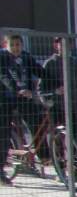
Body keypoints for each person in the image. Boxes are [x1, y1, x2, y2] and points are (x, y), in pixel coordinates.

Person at [0, 34, 43, 185]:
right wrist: (17, 89)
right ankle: (0, 171)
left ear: (22, 45)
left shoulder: (26, 57)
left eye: (18, 44)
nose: (15, 48)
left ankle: (45, 156)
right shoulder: (2, 57)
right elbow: (3, 76)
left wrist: (58, 84)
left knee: (37, 121)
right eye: (12, 45)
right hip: (4, 100)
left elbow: (40, 71)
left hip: (24, 98)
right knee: (3, 135)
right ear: (6, 45)